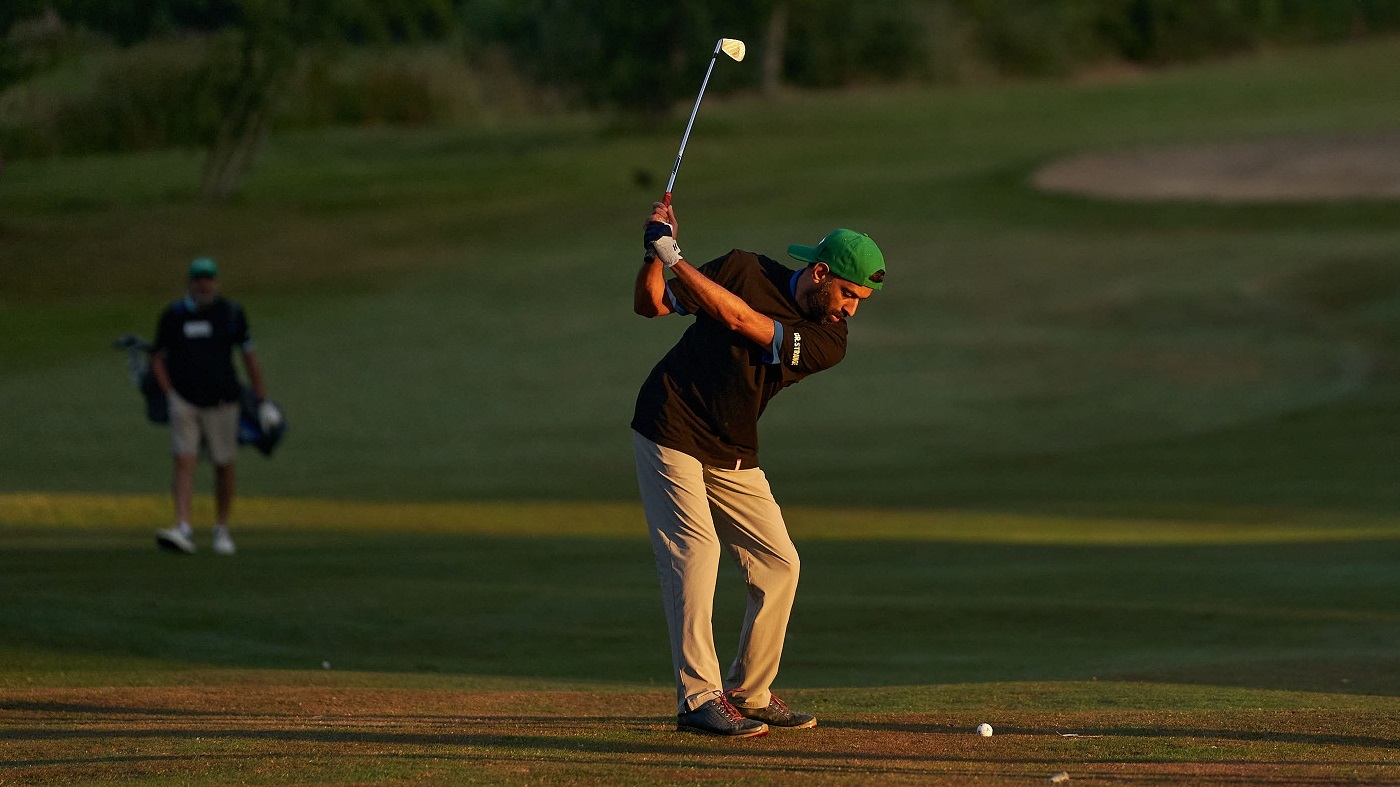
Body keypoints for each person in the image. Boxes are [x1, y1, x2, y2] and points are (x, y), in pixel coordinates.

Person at [631, 201, 886, 737]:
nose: (851, 310)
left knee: (779, 562)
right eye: (848, 294)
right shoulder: (744, 268)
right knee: (696, 552)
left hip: (731, 445)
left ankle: (750, 692)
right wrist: (654, 254)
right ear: (821, 274)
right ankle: (698, 699)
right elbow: (650, 305)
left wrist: (674, 254)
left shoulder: (828, 340)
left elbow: (739, 319)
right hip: (670, 422)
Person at [150, 258, 267, 556]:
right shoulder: (174, 315)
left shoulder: (230, 314)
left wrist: (261, 399)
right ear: (189, 283)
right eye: (199, 280)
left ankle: (221, 529)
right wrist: (169, 394)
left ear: (216, 283)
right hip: (185, 400)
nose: (205, 285)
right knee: (183, 460)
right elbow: (158, 358)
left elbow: (248, 356)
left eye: (209, 279)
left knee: (224, 464)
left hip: (223, 401)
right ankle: (184, 527)